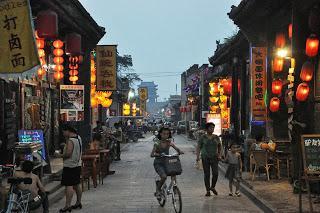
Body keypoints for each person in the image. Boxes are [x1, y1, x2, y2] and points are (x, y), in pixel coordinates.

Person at [150, 127, 184, 197]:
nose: (166, 135)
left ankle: (175, 188)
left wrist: (179, 151)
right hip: (158, 163)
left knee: (174, 172)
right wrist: (159, 154)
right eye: (164, 134)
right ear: (160, 134)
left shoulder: (169, 142)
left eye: (167, 134)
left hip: (167, 162)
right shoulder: (157, 143)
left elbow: (176, 148)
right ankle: (158, 189)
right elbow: (152, 154)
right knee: (164, 177)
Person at [59, 125, 82, 212]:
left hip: (70, 165)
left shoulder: (70, 140)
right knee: (77, 183)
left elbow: (68, 154)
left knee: (69, 185)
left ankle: (67, 205)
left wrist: (59, 155)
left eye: (64, 132)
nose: (63, 134)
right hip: (77, 164)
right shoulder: (78, 137)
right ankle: (78, 202)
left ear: (68, 131)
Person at [196, 122, 222, 196]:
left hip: (214, 157)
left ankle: (212, 187)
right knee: (207, 174)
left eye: (213, 128)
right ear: (207, 129)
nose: (212, 129)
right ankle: (208, 190)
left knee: (215, 173)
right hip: (205, 158)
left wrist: (219, 154)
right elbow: (198, 147)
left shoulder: (216, 137)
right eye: (210, 127)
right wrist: (197, 156)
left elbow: (220, 146)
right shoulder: (202, 137)